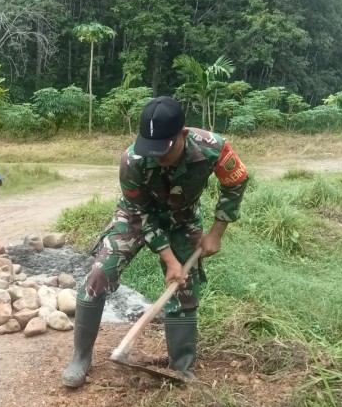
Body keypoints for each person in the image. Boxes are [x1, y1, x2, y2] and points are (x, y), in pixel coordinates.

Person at [62, 96, 249, 386]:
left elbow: (236, 181)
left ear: (183, 134)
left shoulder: (213, 147)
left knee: (185, 291)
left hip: (184, 218)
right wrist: (169, 258)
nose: (156, 156)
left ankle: (181, 367)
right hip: (135, 216)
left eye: (164, 148)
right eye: (151, 148)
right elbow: (140, 213)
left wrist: (216, 233)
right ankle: (80, 357)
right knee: (98, 275)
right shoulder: (132, 160)